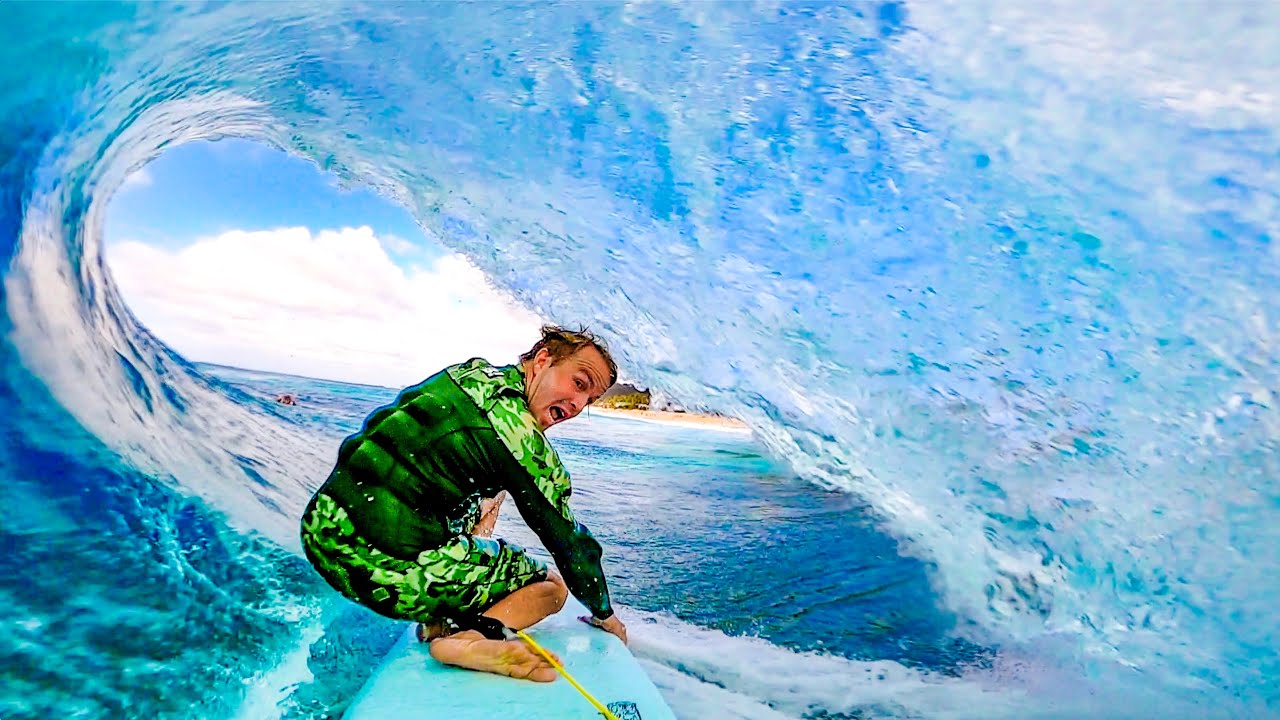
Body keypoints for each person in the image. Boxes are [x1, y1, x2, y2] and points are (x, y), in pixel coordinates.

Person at [300, 325, 628, 683]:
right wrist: (604, 612)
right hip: (384, 574)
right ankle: (466, 639)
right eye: (579, 384)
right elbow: (568, 543)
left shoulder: (470, 374)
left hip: (323, 528)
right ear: (542, 360)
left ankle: (440, 611)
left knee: (486, 496)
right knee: (552, 588)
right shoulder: (519, 439)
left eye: (590, 400)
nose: (579, 405)